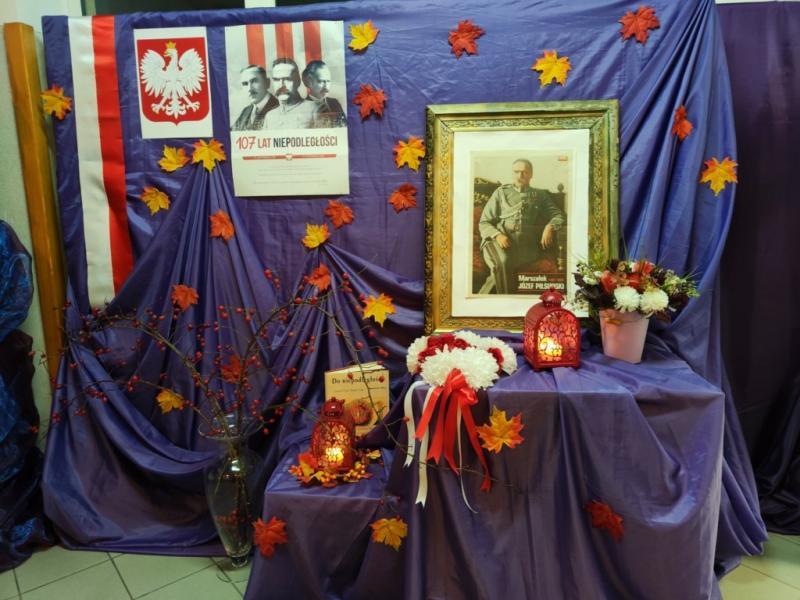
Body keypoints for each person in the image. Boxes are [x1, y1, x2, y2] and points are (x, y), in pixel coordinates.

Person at [478, 159, 566, 294]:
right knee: (503, 262)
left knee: (501, 271)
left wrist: (549, 227)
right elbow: (484, 222)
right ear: (512, 173)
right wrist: (498, 235)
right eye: (516, 172)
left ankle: (484, 297)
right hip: (497, 241)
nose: (520, 176)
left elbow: (559, 215)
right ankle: (506, 301)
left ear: (531, 174)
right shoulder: (500, 193)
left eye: (525, 172)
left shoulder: (540, 195)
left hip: (525, 247)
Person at [264, 58, 317, 130]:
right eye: (276, 80)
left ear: (298, 81)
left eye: (287, 79)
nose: (281, 85)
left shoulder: (315, 109)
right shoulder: (269, 116)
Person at [231, 65, 278, 131]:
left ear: (267, 83)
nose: (249, 89)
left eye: (254, 81)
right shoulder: (246, 111)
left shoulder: (278, 107)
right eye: (245, 84)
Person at [302, 60, 346, 128]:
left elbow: (343, 127)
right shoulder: (301, 107)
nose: (326, 87)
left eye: (328, 81)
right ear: (309, 82)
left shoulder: (334, 103)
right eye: (321, 81)